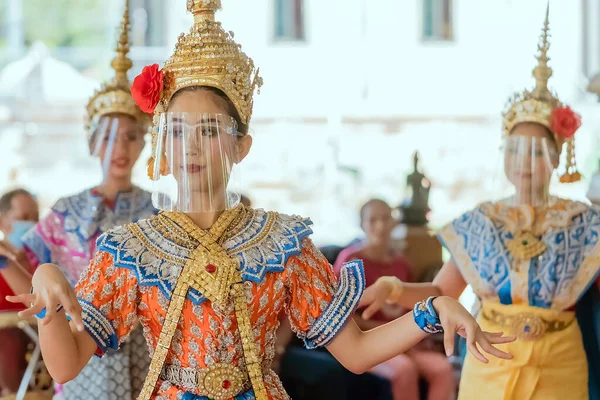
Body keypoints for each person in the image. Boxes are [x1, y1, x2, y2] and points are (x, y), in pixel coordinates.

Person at [8, 2, 514, 400]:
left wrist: (434, 308)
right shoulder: (131, 248)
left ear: (240, 145)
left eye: (209, 131)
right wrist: (50, 288)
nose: (191, 147)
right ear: (164, 142)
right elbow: (67, 363)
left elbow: (357, 351)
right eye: (178, 131)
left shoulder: (281, 242)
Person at [358, 7, 600, 400]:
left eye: (537, 152)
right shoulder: (482, 222)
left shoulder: (585, 224)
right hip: (491, 359)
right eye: (515, 150)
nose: (524, 162)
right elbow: (442, 291)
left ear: (558, 158)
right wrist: (396, 288)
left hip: (561, 363)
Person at [0, 2, 156, 399]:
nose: (119, 148)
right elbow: (34, 281)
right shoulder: (65, 212)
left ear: (144, 143)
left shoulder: (158, 212)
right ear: (91, 144)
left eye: (131, 136)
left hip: (143, 357)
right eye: (108, 137)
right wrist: (3, 259)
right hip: (77, 355)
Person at [335, 199, 454, 400]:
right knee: (405, 370)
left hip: (403, 341)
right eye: (373, 220)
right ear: (362, 225)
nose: (380, 225)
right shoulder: (350, 262)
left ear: (393, 222)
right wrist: (396, 335)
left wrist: (416, 336)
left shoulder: (401, 263)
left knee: (443, 369)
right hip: (368, 341)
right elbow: (340, 318)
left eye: (385, 218)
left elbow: (412, 308)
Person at [0, 188, 39, 396]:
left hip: (42, 358)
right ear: (2, 222)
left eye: (35, 218)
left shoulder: (45, 263)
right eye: (24, 218)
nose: (31, 224)